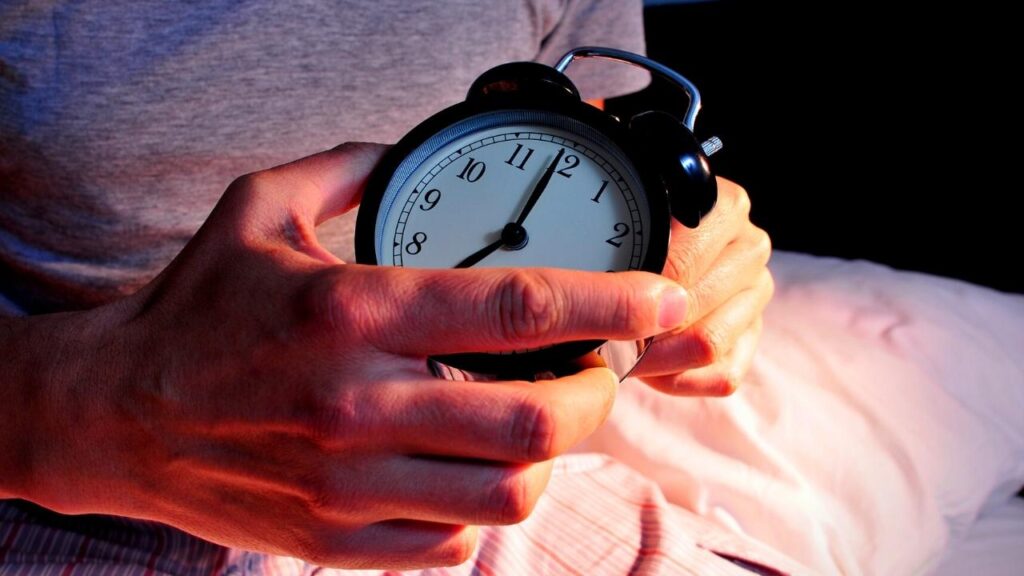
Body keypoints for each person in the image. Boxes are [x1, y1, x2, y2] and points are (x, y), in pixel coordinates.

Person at [0, 1, 782, 573]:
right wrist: (82, 412)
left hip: (465, 491)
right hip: (64, 508)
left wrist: (700, 259)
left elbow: (578, 148)